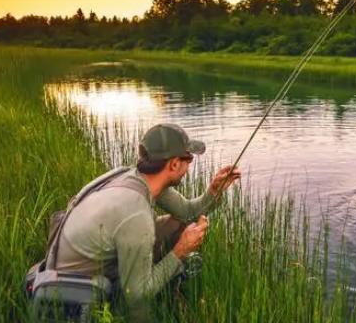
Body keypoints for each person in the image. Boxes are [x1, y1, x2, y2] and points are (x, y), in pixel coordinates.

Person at [54, 123, 241, 321]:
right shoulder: (136, 215)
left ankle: (166, 291)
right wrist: (180, 251)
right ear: (174, 164)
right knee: (139, 296)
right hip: (76, 293)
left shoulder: (137, 178)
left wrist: (214, 191)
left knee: (179, 224)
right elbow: (134, 295)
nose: (190, 165)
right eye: (189, 159)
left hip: (92, 262)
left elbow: (187, 213)